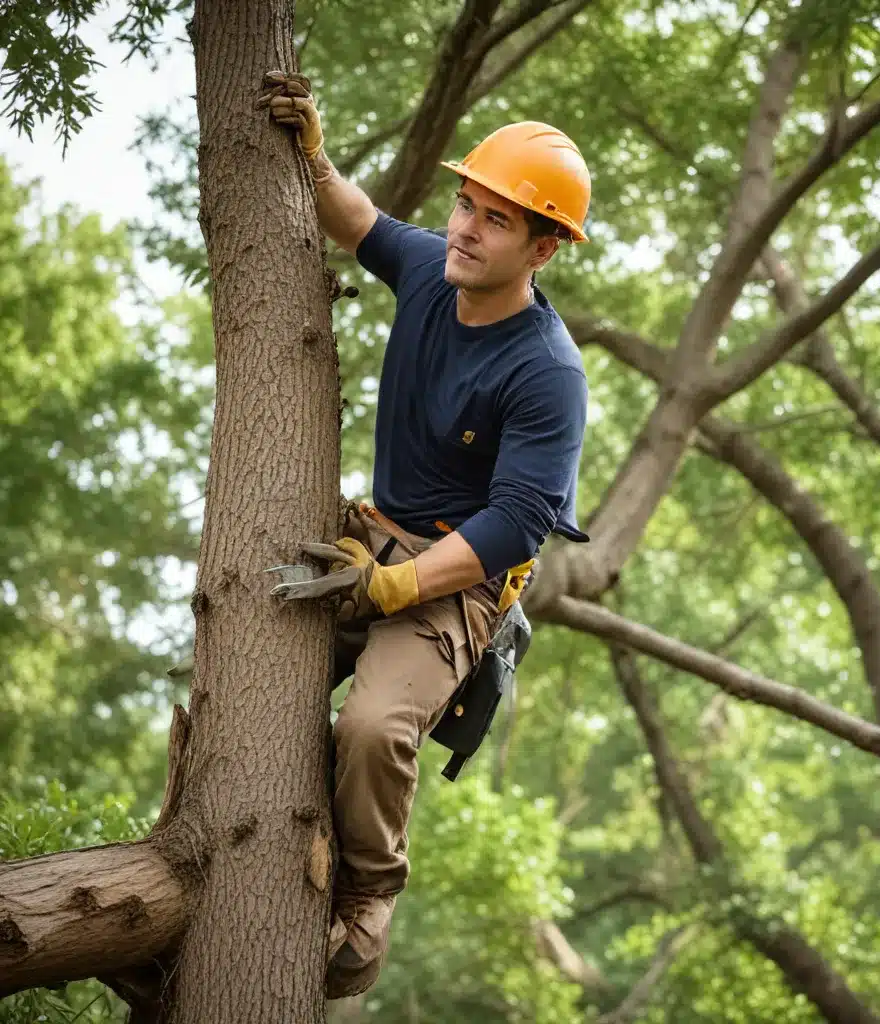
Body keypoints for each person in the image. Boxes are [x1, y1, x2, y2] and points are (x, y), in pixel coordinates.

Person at [257, 71, 592, 999]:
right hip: (370, 537)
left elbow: (519, 523)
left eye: (494, 219)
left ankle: (368, 893)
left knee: (369, 727)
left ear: (543, 249)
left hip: (458, 579)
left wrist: (397, 588)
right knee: (240, 637)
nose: (464, 228)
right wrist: (313, 155)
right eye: (463, 203)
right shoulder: (428, 272)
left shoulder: (547, 372)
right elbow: (357, 218)